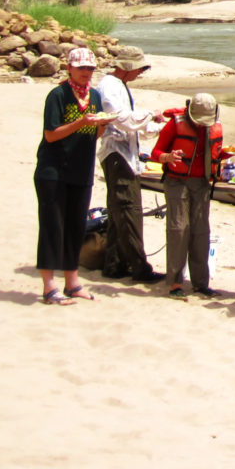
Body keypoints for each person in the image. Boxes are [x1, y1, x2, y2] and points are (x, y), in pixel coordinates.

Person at [35, 47, 106, 305]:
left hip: (81, 169)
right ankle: (48, 286)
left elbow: (93, 135)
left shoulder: (95, 96)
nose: (86, 73)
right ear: (70, 69)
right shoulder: (58, 95)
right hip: (53, 171)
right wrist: (81, 122)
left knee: (76, 227)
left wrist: (101, 126)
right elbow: (51, 134)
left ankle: (72, 282)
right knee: (53, 227)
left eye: (90, 68)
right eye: (82, 68)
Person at [149, 92, 225, 299]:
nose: (202, 125)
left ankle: (201, 283)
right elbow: (155, 152)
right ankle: (175, 282)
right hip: (176, 181)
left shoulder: (215, 126)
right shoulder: (175, 124)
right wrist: (167, 157)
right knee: (179, 228)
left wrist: (223, 157)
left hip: (201, 183)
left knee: (201, 231)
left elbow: (215, 151)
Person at [95, 48, 161, 283]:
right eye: (138, 69)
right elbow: (123, 120)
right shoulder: (110, 85)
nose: (139, 74)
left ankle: (114, 264)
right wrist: (150, 116)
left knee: (117, 212)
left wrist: (156, 125)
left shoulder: (119, 85)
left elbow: (132, 123)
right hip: (116, 155)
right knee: (128, 210)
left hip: (124, 154)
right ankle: (139, 267)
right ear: (128, 67)